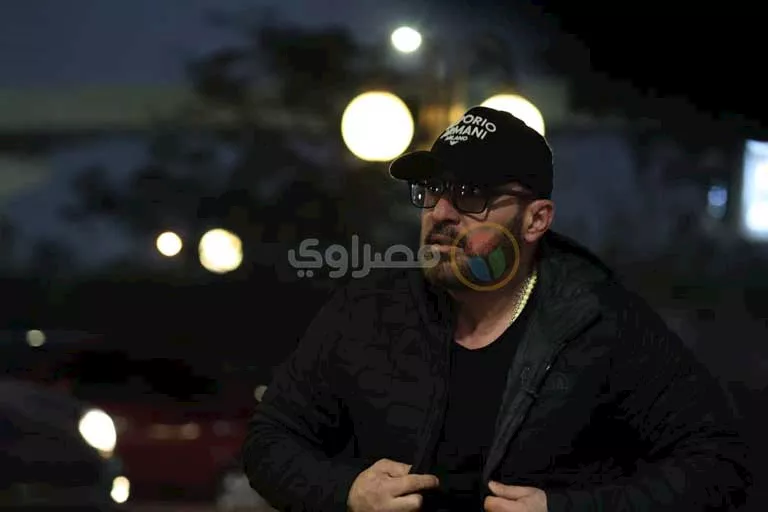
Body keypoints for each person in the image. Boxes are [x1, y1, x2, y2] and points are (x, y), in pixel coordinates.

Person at [242, 106, 753, 511]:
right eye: (433, 191)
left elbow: (719, 462)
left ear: (536, 220)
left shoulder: (600, 321)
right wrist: (346, 492)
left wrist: (570, 508)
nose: (441, 213)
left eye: (471, 196)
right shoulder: (368, 310)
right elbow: (270, 439)